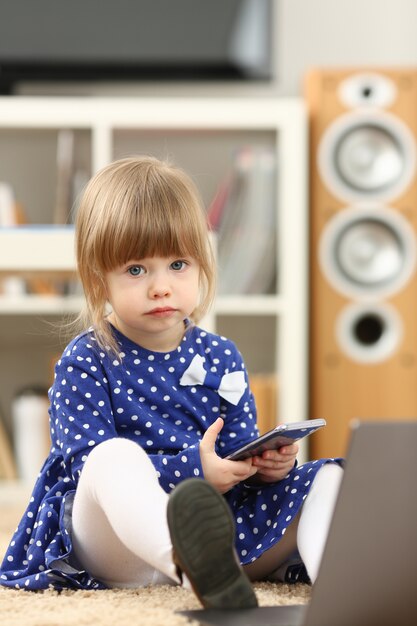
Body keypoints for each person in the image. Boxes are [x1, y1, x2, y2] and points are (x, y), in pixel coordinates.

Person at [0, 156, 343, 608]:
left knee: (328, 476)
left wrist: (263, 469)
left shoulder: (222, 356)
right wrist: (195, 471)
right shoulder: (85, 360)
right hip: (116, 545)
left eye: (178, 264)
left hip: (219, 526)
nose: (160, 287)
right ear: (99, 278)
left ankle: (341, 588)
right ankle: (190, 566)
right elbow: (88, 474)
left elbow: (238, 454)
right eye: (137, 270)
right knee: (111, 457)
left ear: (202, 264)